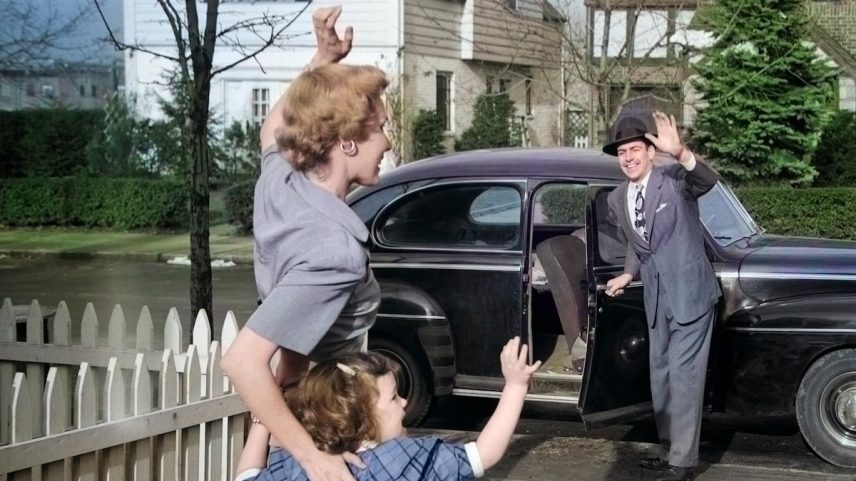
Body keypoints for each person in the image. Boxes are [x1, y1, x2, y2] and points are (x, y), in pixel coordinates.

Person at [221, 7, 390, 481]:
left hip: (296, 404)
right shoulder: (334, 251)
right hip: (330, 422)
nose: (389, 142)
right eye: (380, 129)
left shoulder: (281, 179)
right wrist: (316, 459)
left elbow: (272, 128)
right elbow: (240, 361)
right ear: (349, 143)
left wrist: (322, 59)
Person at [233, 337, 542, 481]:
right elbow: (484, 453)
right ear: (364, 419)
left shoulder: (303, 466)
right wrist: (515, 387)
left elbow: (247, 477)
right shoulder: (406, 461)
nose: (404, 402)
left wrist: (263, 422)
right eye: (394, 398)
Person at [603, 112, 721, 481]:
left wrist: (682, 152)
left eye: (635, 149)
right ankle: (671, 450)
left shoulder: (674, 181)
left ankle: (683, 464)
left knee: (685, 378)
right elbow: (639, 244)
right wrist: (628, 272)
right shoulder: (617, 197)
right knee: (661, 378)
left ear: (652, 151)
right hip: (656, 298)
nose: (628, 157)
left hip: (691, 295)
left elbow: (708, 180)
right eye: (622, 152)